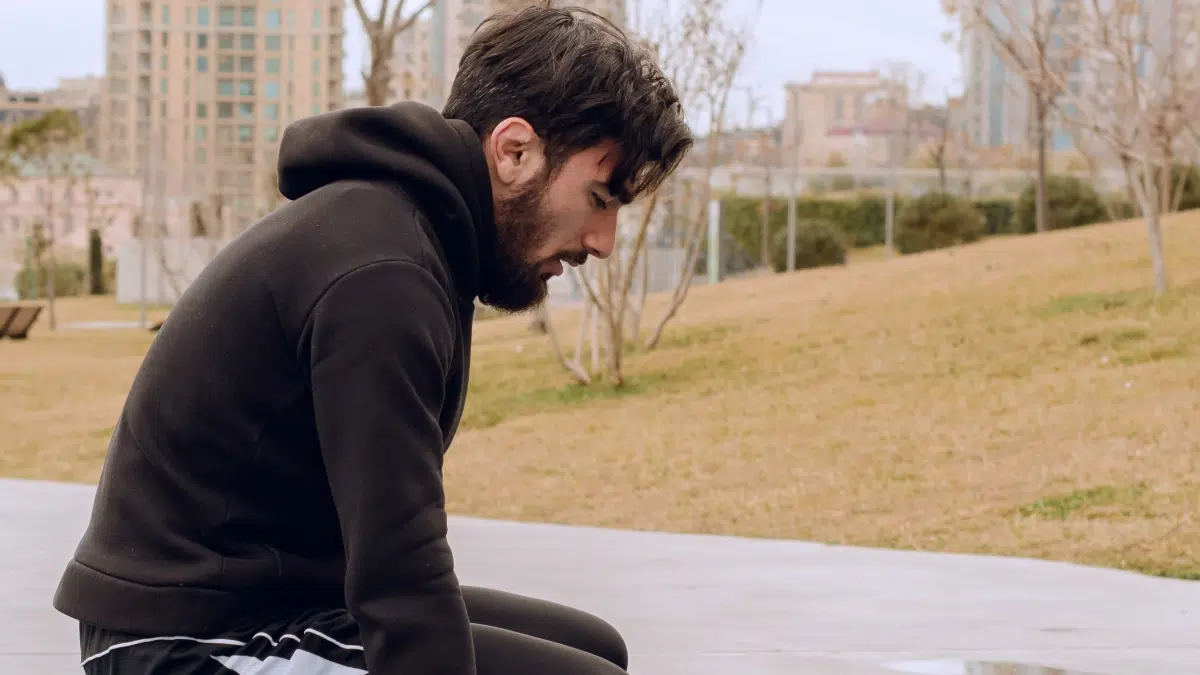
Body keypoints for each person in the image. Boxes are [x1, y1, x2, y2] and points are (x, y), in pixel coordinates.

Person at [51, 5, 692, 675]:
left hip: (264, 596)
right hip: (186, 640)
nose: (605, 241)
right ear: (514, 151)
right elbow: (398, 565)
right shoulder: (384, 273)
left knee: (596, 647)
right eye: (598, 198)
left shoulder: (405, 231)